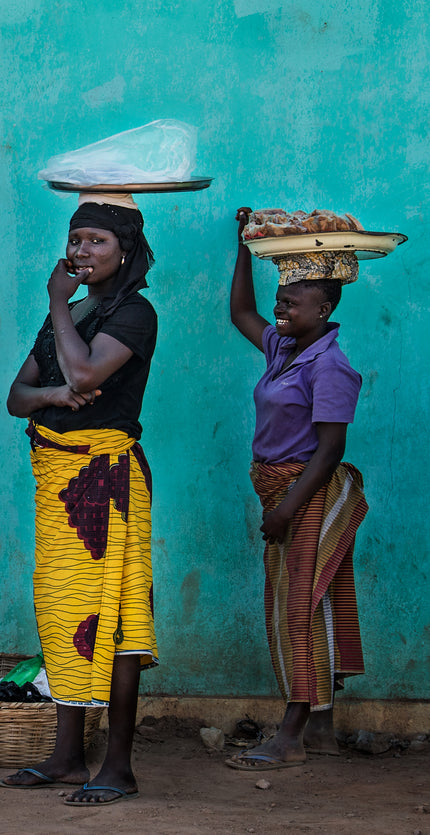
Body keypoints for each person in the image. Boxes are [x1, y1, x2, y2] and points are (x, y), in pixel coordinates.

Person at [2, 196, 159, 806]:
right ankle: (68, 757)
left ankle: (116, 766)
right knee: (65, 610)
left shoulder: (136, 314)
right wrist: (55, 396)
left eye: (96, 241)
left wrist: (55, 307)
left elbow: (89, 373)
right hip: (61, 485)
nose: (82, 252)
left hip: (108, 487)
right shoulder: (68, 316)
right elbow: (18, 396)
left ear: (125, 251)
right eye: (76, 240)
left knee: (115, 621)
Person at [224, 206, 367, 770]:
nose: (281, 303)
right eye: (281, 292)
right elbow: (240, 311)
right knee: (315, 603)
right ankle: (325, 729)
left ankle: (291, 735)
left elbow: (331, 449)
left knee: (297, 609)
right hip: (281, 491)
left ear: (325, 308)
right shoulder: (283, 349)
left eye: (295, 296)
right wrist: (243, 245)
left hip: (310, 492)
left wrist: (286, 508)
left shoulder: (329, 366)